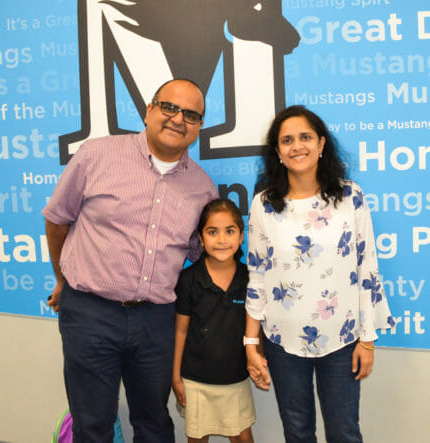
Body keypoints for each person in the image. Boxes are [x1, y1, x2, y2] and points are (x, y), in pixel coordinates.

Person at [42, 78, 218, 443]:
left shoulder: (204, 188)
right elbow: (58, 218)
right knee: (92, 424)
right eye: (169, 107)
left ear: (199, 126)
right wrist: (62, 279)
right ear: (149, 110)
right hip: (90, 314)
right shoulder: (97, 154)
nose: (177, 119)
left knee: (154, 422)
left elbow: (197, 254)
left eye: (190, 114)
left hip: (155, 322)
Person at [244, 105, 394, 442]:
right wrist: (251, 342)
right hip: (282, 342)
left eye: (305, 137)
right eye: (287, 140)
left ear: (321, 143)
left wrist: (367, 340)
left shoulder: (350, 196)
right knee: (297, 433)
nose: (297, 146)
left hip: (343, 339)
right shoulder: (264, 204)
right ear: (278, 152)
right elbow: (258, 276)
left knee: (344, 433)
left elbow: (367, 267)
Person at [172, 199, 256, 443]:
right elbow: (180, 331)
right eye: (212, 232)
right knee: (197, 436)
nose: (221, 240)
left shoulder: (250, 279)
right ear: (200, 238)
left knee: (242, 436)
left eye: (229, 231)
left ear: (241, 236)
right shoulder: (189, 279)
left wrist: (259, 359)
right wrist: (175, 376)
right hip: (196, 380)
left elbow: (255, 329)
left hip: (235, 378)